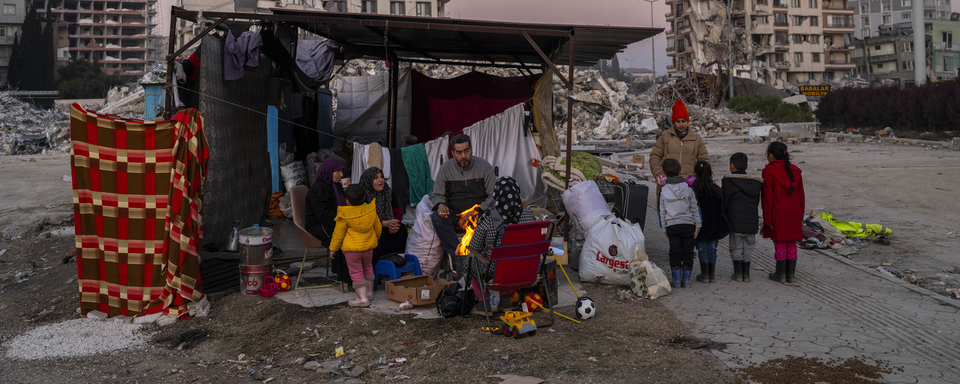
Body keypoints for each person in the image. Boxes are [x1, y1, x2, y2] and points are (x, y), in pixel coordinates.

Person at [430, 134, 496, 278]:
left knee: (493, 219)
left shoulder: (484, 166)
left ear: (471, 150)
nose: (463, 156)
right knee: (438, 219)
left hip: (479, 212)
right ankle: (458, 256)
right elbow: (437, 194)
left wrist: (477, 210)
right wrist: (440, 205)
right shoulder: (445, 169)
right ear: (453, 153)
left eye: (466, 151)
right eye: (459, 152)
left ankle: (485, 263)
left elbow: (493, 196)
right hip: (455, 212)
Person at [466, 177, 535, 315]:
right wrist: (524, 207)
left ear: (496, 196)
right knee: (508, 261)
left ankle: (483, 304)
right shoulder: (528, 214)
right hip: (527, 270)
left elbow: (474, 247)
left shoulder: (488, 219)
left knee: (470, 260)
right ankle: (505, 303)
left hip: (497, 272)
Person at [328, 185, 382, 307]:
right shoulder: (370, 210)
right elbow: (378, 228)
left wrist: (333, 249)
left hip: (352, 250)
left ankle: (362, 299)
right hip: (368, 248)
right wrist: (374, 239)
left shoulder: (344, 214)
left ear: (347, 201)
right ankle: (369, 294)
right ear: (364, 198)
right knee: (368, 268)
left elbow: (338, 234)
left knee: (356, 273)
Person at [649, 100, 710, 208]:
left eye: (683, 121)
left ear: (687, 121)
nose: (681, 124)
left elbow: (704, 159)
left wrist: (697, 175)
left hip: (688, 186)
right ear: (674, 122)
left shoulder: (696, 139)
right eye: (678, 121)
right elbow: (654, 156)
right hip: (667, 184)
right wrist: (658, 172)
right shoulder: (664, 136)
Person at [762, 142, 806, 284]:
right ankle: (791, 275)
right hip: (794, 213)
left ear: (770, 155)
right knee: (791, 243)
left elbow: (767, 199)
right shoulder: (796, 171)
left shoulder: (769, 171)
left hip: (777, 214)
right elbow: (801, 197)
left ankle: (780, 274)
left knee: (780, 243)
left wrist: (767, 221)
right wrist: (800, 216)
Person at [305, 157, 352, 285]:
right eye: (338, 172)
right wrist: (344, 223)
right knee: (345, 237)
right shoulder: (319, 189)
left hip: (332, 220)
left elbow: (340, 207)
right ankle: (347, 278)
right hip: (318, 224)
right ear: (328, 171)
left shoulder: (334, 186)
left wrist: (347, 193)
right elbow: (324, 215)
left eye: (341, 171)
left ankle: (352, 274)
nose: (341, 175)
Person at [658, 158, 701, 288]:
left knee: (674, 252)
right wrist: (698, 225)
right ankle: (686, 281)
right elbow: (694, 207)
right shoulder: (688, 189)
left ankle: (676, 281)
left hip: (672, 226)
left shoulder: (663, 191)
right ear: (681, 171)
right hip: (688, 224)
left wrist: (664, 227)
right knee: (688, 252)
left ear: (664, 174)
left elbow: (662, 211)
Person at [721, 152, 763, 282]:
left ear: (732, 166)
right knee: (748, 247)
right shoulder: (755, 184)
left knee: (736, 247)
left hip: (735, 221)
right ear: (747, 165)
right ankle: (746, 274)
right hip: (751, 221)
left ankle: (738, 274)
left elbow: (725, 202)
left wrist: (724, 217)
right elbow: (756, 202)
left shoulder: (728, 181)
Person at [358, 167, 408, 262]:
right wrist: (384, 223)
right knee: (376, 235)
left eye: (381, 177)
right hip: (372, 227)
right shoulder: (363, 196)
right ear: (369, 180)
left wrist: (394, 223)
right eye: (376, 178)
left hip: (389, 226)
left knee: (401, 230)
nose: (380, 180)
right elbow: (364, 218)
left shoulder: (388, 192)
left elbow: (397, 211)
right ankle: (378, 265)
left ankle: (397, 260)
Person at [692, 161, 728, 284]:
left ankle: (704, 274)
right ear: (710, 173)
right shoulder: (716, 189)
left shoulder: (693, 189)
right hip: (714, 225)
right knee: (712, 248)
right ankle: (711, 275)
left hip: (699, 225)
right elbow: (722, 207)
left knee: (702, 248)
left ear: (695, 173)